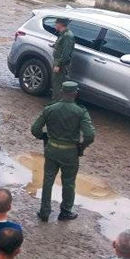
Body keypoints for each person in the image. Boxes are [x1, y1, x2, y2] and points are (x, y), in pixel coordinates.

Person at [31, 81, 95, 222]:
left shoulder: (50, 109)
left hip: (51, 149)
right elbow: (90, 135)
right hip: (70, 153)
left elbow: (35, 129)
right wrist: (82, 147)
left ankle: (44, 212)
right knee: (69, 182)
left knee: (48, 180)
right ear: (76, 93)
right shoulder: (80, 111)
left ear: (61, 92)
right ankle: (65, 212)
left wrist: (44, 137)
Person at [50, 17, 75, 100]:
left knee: (58, 84)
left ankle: (55, 103)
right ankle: (55, 101)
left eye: (56, 23)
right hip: (58, 61)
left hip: (61, 64)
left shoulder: (67, 36)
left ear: (60, 24)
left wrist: (58, 65)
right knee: (56, 82)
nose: (55, 25)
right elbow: (61, 46)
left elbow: (65, 53)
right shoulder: (63, 34)